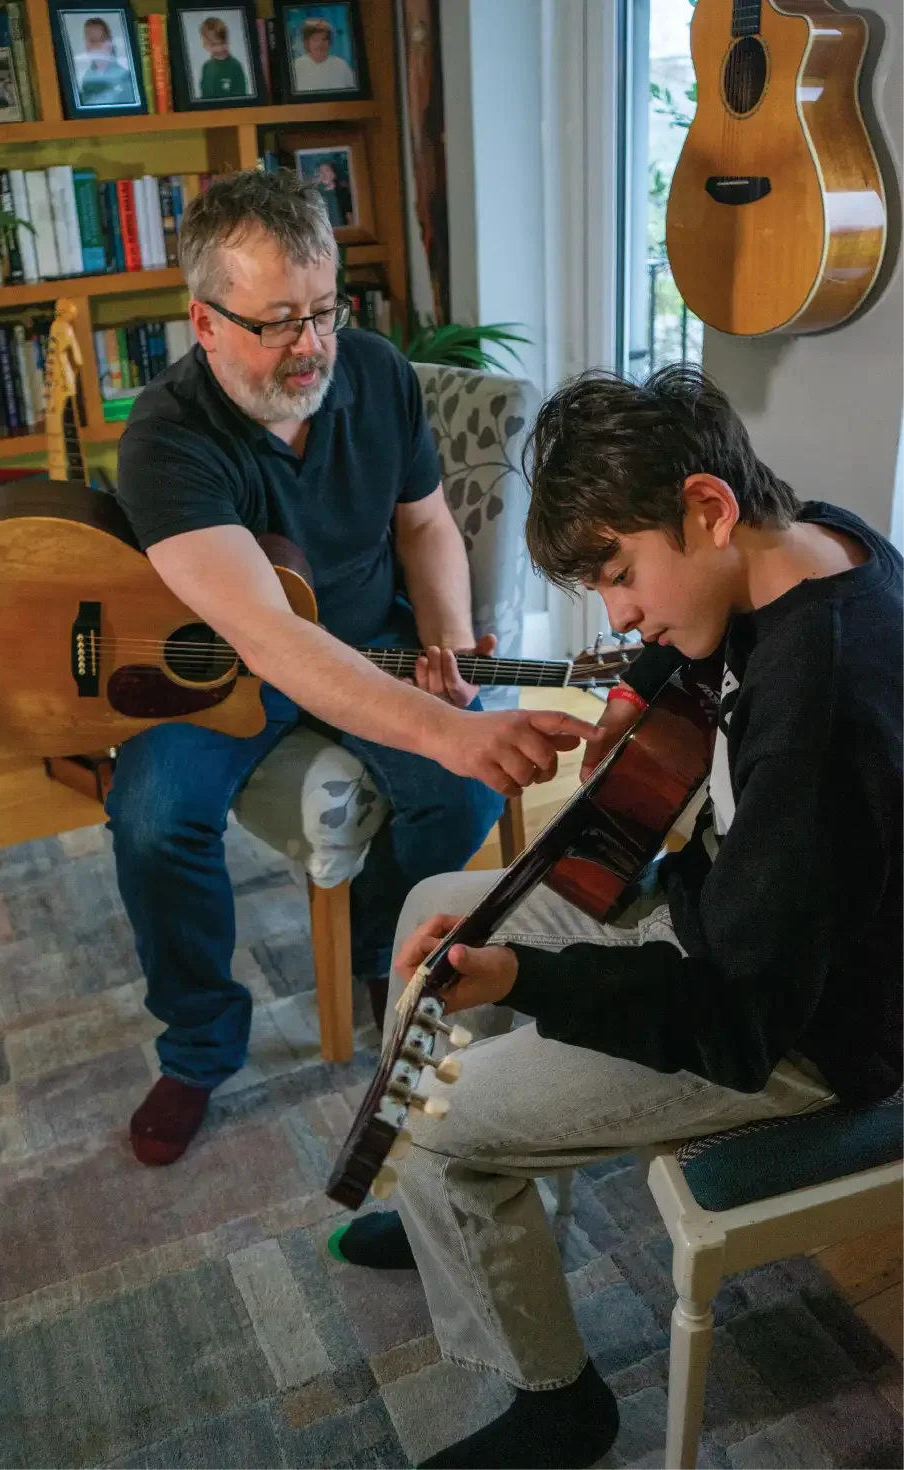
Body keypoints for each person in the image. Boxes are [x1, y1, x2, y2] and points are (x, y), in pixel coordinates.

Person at [331, 364, 904, 1469]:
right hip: (731, 918)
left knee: (443, 1121)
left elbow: (734, 1015)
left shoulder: (816, 709)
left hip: (797, 1036)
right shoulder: (815, 538)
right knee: (439, 902)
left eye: (620, 575)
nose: (620, 612)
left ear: (706, 506)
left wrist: (523, 982)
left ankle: (557, 1405)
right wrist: (645, 684)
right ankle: (466, 1216)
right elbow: (704, 657)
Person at [110, 168, 593, 1169]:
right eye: (278, 322)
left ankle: (386, 966)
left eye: (325, 312)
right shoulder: (164, 438)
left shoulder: (373, 373)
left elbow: (423, 523)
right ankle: (199, 1046)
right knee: (154, 820)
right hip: (217, 666)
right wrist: (445, 727)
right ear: (204, 323)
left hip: (371, 633)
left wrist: (451, 644)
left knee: (457, 799)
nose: (311, 347)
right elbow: (269, 637)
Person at [77, 17, 137, 108]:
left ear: (109, 43)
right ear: (86, 45)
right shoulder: (87, 77)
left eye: (101, 40)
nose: (97, 46)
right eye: (92, 41)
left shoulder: (125, 76)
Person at [293, 16, 356, 92]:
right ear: (307, 42)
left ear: (329, 42)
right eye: (315, 40)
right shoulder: (295, 66)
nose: (320, 44)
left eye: (324, 39)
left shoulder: (341, 65)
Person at [198, 16, 248, 100]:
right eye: (214, 44)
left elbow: (241, 96)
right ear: (205, 45)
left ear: (228, 41)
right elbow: (204, 95)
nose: (220, 48)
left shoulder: (235, 66)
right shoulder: (206, 67)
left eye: (223, 42)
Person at [312, 158, 353, 228]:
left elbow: (349, 215)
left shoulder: (343, 191)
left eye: (327, 171)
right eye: (321, 172)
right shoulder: (315, 193)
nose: (324, 174)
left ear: (334, 173)